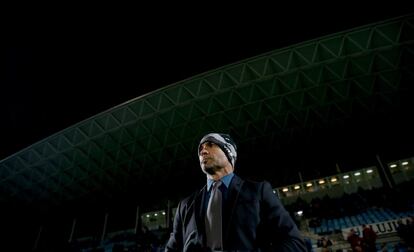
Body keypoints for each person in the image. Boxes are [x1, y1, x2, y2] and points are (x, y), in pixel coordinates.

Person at [165, 133, 307, 251]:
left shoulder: (258, 192)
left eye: (210, 145)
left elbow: (294, 242)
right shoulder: (185, 205)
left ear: (229, 152)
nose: (203, 151)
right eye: (201, 148)